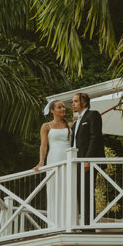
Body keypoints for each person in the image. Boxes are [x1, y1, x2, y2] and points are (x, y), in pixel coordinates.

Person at [34, 100, 70, 223]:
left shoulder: (70, 125)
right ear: (52, 111)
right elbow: (43, 145)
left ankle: (69, 220)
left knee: (69, 187)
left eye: (63, 107)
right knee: (54, 189)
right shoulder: (46, 126)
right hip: (54, 157)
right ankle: (54, 222)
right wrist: (41, 161)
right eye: (59, 107)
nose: (63, 109)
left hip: (68, 157)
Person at [70, 92, 103, 225]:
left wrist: (88, 159)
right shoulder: (77, 120)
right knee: (79, 193)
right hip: (76, 162)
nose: (73, 104)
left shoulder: (93, 115)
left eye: (76, 101)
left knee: (87, 193)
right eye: (72, 101)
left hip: (87, 162)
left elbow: (95, 137)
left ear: (84, 102)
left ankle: (89, 226)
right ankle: (83, 223)